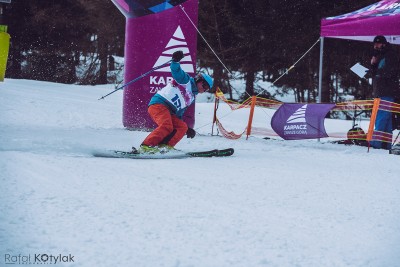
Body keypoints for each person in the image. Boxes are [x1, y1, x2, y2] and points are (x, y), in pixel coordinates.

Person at [135, 50, 213, 154]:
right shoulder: (186, 81)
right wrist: (175, 61)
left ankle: (165, 147)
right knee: (166, 125)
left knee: (182, 126)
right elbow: (176, 71)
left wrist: (187, 129)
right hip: (159, 104)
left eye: (207, 89)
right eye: (205, 86)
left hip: (169, 111)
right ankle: (146, 146)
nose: (204, 90)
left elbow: (179, 113)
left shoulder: (191, 97)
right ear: (199, 80)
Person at [368, 35, 400, 149]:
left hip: (387, 91)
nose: (375, 46)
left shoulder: (390, 55)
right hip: (381, 91)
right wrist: (373, 65)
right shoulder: (380, 55)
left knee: (381, 116)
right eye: (374, 44)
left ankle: (376, 143)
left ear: (384, 44)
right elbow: (377, 73)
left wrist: (377, 70)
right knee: (385, 118)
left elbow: (389, 73)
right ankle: (386, 144)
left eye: (378, 44)